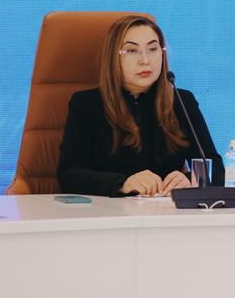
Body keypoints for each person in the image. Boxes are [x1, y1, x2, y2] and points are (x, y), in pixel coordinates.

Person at [58, 15, 224, 197]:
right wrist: (123, 183)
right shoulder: (87, 104)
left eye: (153, 49)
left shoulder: (181, 101)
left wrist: (191, 180)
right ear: (113, 57)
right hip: (108, 210)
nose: (145, 60)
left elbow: (215, 168)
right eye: (131, 50)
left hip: (166, 210)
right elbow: (68, 175)